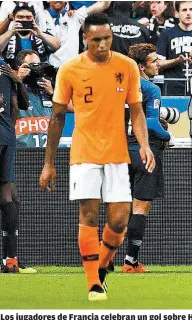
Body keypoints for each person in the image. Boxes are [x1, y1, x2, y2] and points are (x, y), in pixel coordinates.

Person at [39, 12, 155, 301]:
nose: (103, 44)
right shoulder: (69, 69)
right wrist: (49, 163)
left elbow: (137, 111)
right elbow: (55, 118)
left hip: (117, 153)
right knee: (89, 215)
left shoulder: (127, 66)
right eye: (96, 39)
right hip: (84, 152)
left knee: (119, 220)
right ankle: (93, 284)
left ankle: (101, 270)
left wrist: (144, 144)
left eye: (107, 38)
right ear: (85, 39)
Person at [121, 43, 172, 273]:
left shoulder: (118, 85)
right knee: (140, 208)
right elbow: (151, 123)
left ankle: (105, 256)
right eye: (153, 61)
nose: (158, 64)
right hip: (145, 150)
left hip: (120, 150)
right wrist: (168, 133)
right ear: (141, 66)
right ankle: (131, 261)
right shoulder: (150, 89)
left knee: (120, 207)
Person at [0, 56, 36, 274]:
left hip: (6, 138)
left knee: (10, 197)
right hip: (5, 138)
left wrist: (19, 81)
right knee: (8, 197)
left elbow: (22, 105)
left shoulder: (6, 72)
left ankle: (10, 260)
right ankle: (9, 260)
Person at [157, 0, 192, 96]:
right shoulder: (167, 33)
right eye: (184, 10)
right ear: (177, 13)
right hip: (173, 87)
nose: (188, 13)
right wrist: (177, 60)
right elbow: (158, 63)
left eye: (191, 9)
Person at [13, 50, 54, 148]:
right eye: (32, 65)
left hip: (47, 152)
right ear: (20, 68)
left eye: (38, 64)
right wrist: (18, 80)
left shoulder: (47, 87)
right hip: (20, 152)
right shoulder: (12, 86)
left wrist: (52, 93)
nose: (36, 68)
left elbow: (70, 107)